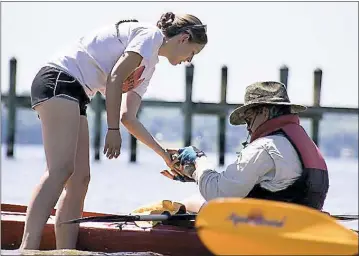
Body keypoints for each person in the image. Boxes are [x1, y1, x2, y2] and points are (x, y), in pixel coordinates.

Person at [20, 12, 207, 250]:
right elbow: (115, 77)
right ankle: (27, 248)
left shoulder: (148, 66)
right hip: (59, 80)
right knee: (61, 170)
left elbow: (128, 117)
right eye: (193, 52)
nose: (189, 59)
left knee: (80, 178)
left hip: (77, 92)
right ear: (184, 37)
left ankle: (65, 250)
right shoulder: (150, 36)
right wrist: (111, 129)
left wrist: (164, 155)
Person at [163, 81, 329, 213]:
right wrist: (194, 175)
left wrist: (198, 161)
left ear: (264, 111)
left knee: (191, 202)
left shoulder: (264, 147)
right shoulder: (303, 143)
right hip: (300, 223)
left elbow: (218, 194)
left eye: (249, 120)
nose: (248, 128)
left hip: (265, 228)